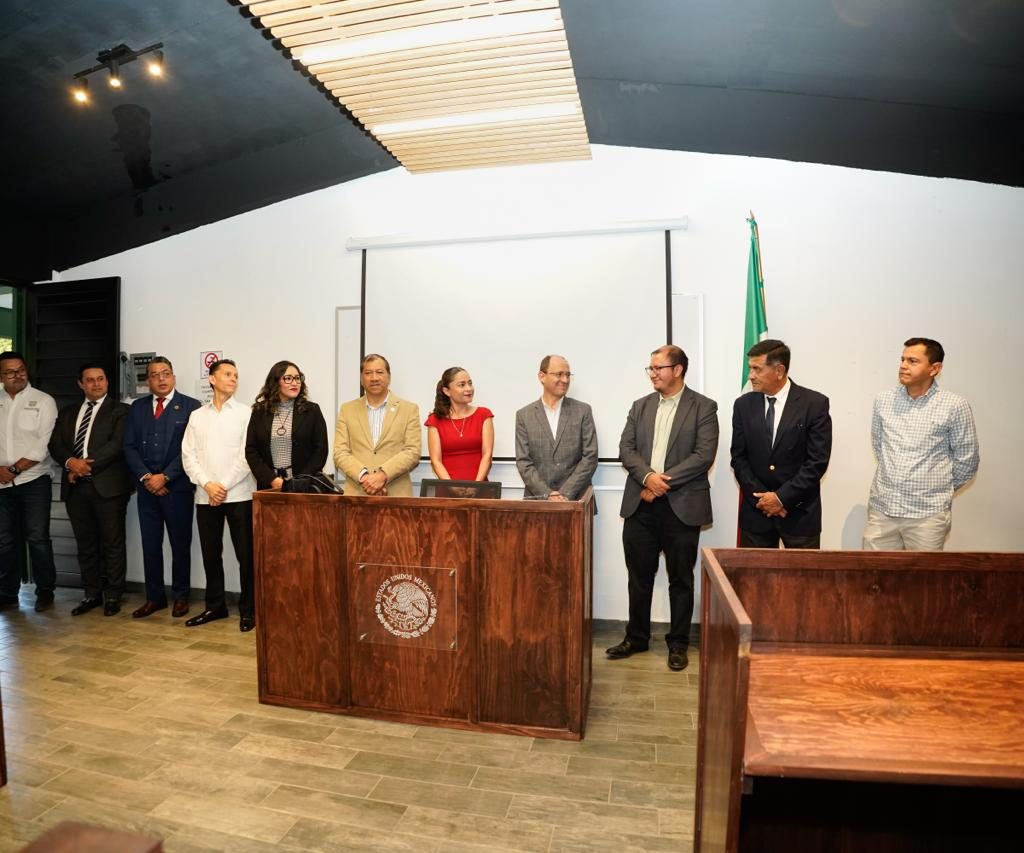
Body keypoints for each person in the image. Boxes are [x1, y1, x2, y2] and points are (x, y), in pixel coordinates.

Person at [608, 345, 719, 672]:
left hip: (681, 506)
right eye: (651, 368)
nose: (653, 373)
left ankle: (679, 644)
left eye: (658, 368)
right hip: (640, 505)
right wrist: (647, 477)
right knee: (638, 577)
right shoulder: (640, 406)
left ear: (678, 370)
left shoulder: (703, 407)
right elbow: (626, 449)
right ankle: (636, 638)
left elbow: (703, 456)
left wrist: (660, 483)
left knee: (680, 579)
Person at [862, 337, 979, 551]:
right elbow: (880, 447)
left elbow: (967, 460)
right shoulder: (883, 400)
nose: (903, 366)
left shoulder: (954, 405)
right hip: (883, 510)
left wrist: (936, 489)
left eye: (913, 361)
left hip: (927, 516)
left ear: (935, 368)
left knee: (925, 574)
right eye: (902, 359)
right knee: (874, 571)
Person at [730, 339, 832, 548]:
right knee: (753, 571)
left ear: (779, 371)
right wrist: (763, 500)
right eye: (750, 368)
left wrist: (781, 498)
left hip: (799, 514)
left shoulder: (814, 404)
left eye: (757, 369)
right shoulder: (743, 405)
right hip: (756, 515)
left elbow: (817, 462)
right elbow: (739, 459)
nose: (750, 376)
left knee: (802, 571)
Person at [48, 364, 132, 615]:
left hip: (108, 487)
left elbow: (116, 445)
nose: (96, 384)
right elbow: (55, 444)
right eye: (90, 380)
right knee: (86, 544)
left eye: (100, 379)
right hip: (75, 489)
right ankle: (91, 594)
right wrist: (70, 463)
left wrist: (82, 467)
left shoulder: (121, 411)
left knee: (112, 543)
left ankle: (113, 595)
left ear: (107, 382)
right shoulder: (68, 412)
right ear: (81, 384)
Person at [182, 359, 258, 631]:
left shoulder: (246, 413)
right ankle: (215, 606)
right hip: (205, 497)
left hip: (239, 495)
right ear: (212, 380)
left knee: (246, 556)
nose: (233, 379)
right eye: (227, 374)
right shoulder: (197, 416)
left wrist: (222, 486)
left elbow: (247, 456)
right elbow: (188, 456)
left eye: (235, 375)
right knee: (210, 554)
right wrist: (208, 485)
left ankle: (249, 610)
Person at [123, 357, 202, 619]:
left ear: (174, 377)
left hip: (177, 490)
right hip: (147, 490)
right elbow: (129, 446)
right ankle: (154, 597)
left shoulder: (191, 407)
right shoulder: (137, 408)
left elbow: (190, 450)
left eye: (166, 373)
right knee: (150, 545)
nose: (161, 379)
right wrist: (147, 477)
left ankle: (181, 596)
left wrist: (165, 477)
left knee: (180, 545)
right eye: (155, 375)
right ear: (148, 380)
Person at [0, 351, 58, 612]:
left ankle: (45, 591)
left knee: (37, 537)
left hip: (34, 481)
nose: (18, 375)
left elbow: (44, 444)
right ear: (1, 376)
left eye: (21, 370)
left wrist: (14, 469)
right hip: (1, 484)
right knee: (5, 540)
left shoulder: (43, 401)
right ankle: (7, 593)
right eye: (10, 372)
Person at [333, 354, 421, 497]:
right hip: (357, 494)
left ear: (389, 376)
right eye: (368, 373)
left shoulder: (409, 409)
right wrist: (365, 478)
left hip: (396, 494)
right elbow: (340, 452)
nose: (374, 378)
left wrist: (383, 476)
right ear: (361, 379)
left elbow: (412, 451)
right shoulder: (347, 409)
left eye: (379, 372)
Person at [515, 354, 598, 500]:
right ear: (542, 376)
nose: (565, 380)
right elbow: (524, 462)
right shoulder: (524, 415)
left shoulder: (583, 411)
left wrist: (564, 493)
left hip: (577, 500)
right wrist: (547, 494)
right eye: (559, 374)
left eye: (568, 375)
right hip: (537, 502)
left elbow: (590, 457)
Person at [245, 361, 329, 490]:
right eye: (288, 378)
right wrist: (271, 479)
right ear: (275, 382)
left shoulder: (312, 410)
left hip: (305, 487)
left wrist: (298, 482)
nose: (295, 383)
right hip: (270, 487)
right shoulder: (259, 411)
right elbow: (251, 451)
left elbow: (320, 450)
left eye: (297, 378)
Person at [425, 367, 494, 481]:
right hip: (447, 487)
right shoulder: (435, 420)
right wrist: (451, 486)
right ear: (447, 391)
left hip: (480, 486)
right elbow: (436, 461)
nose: (469, 388)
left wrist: (475, 485)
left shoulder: (483, 415)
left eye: (470, 383)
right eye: (462, 385)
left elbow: (487, 455)